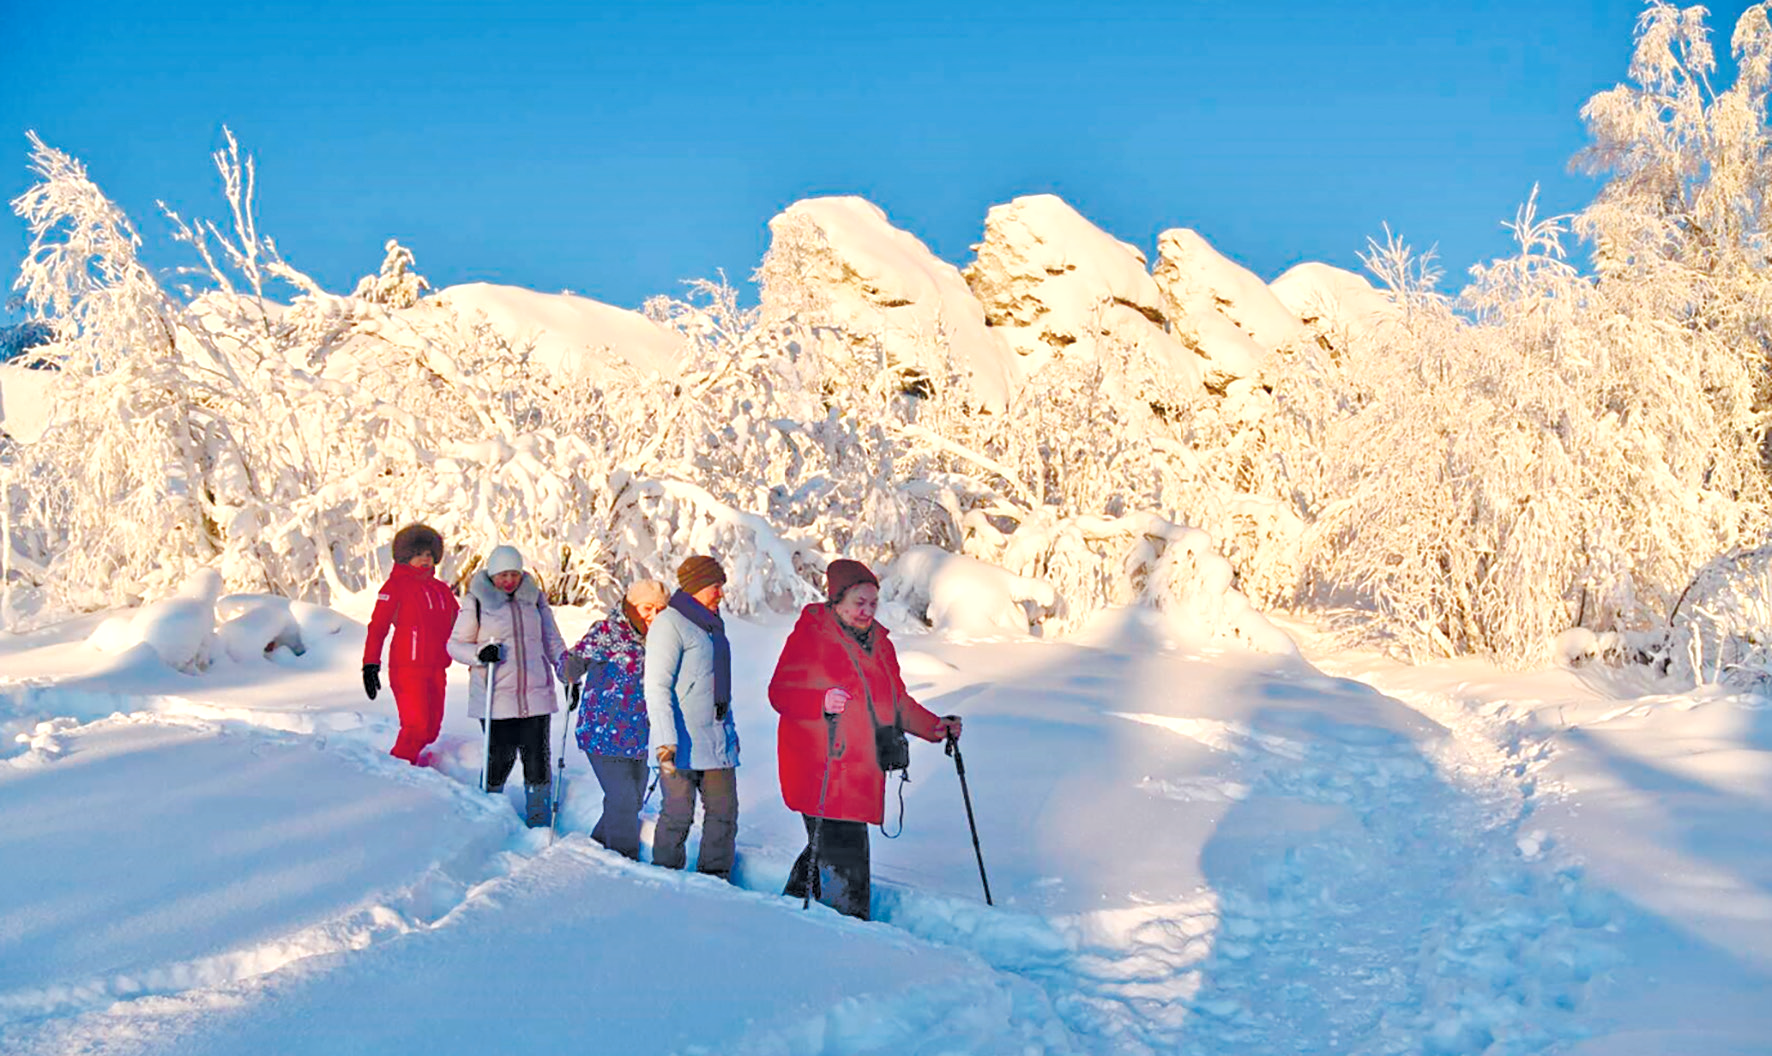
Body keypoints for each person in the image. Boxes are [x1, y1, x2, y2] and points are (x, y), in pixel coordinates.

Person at [769, 559, 961, 919]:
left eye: (873, 603)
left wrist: (935, 727)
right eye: (859, 603)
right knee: (845, 857)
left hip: (861, 769)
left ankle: (789, 913)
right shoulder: (811, 637)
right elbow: (780, 693)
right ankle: (849, 931)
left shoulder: (880, 644)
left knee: (826, 848)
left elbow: (896, 701)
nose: (867, 611)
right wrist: (820, 702)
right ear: (837, 600)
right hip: (820, 769)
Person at [448, 544, 566, 828]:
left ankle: (538, 818)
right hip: (495, 697)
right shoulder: (476, 601)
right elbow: (454, 645)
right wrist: (479, 655)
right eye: (502, 575)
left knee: (538, 758)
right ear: (491, 575)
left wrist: (566, 672)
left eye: (514, 574)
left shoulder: (534, 600)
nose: (509, 581)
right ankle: (488, 813)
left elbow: (552, 640)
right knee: (499, 758)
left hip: (535, 695)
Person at [558, 578, 669, 859]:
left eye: (660, 609)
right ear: (631, 605)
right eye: (647, 607)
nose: (652, 615)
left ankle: (593, 850)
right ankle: (623, 861)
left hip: (638, 735)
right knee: (624, 799)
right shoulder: (608, 632)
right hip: (602, 732)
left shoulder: (661, 639)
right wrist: (571, 669)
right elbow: (571, 662)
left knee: (629, 802)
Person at [644, 555, 740, 879]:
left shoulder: (712, 624)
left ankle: (715, 880)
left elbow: (717, 683)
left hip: (716, 737)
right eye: (716, 587)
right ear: (698, 587)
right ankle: (666, 878)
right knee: (677, 815)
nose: (721, 594)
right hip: (679, 741)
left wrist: (730, 731)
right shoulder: (669, 623)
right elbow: (656, 686)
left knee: (724, 814)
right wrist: (664, 740)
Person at [362, 523, 460, 766]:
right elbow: (378, 627)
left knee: (430, 730)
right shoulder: (395, 587)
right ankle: (398, 773)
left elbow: (462, 625)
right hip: (407, 669)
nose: (425, 560)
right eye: (418, 554)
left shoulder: (441, 590)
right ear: (406, 557)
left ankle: (410, 767)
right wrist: (370, 664)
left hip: (437, 669)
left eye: (429, 554)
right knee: (415, 727)